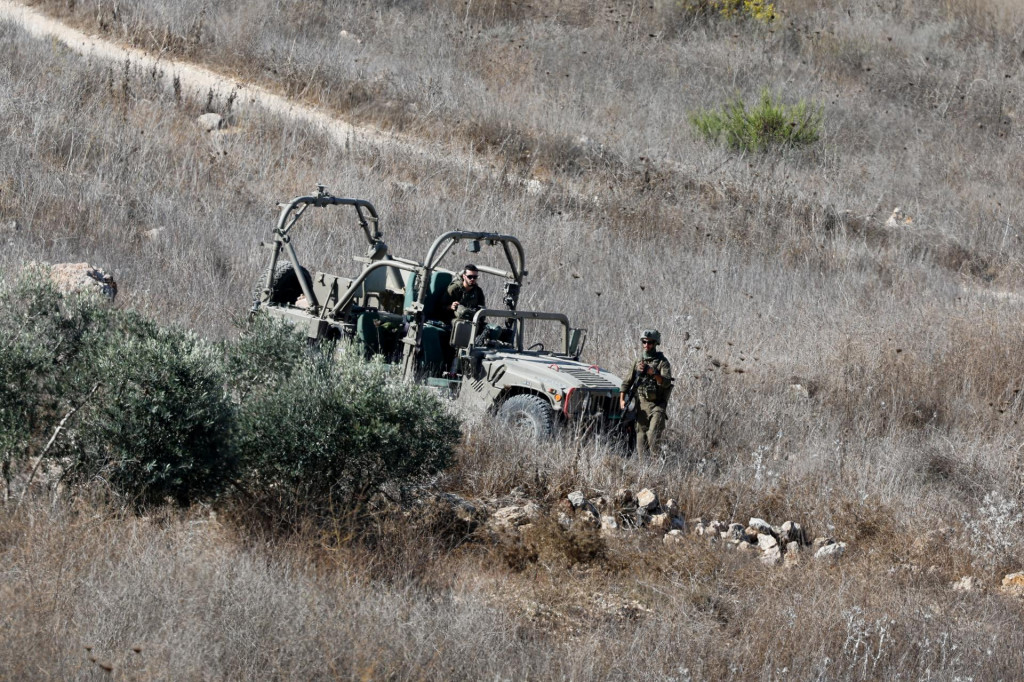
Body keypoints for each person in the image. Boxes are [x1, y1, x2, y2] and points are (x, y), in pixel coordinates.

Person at [620, 329, 672, 457]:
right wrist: (622, 399)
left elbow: (666, 382)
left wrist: (653, 373)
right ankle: (644, 470)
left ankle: (658, 466)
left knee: (653, 437)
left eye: (649, 343)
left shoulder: (662, 362)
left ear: (655, 344)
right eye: (644, 342)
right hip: (641, 405)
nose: (646, 345)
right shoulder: (638, 362)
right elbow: (627, 382)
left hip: (657, 405)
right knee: (641, 440)